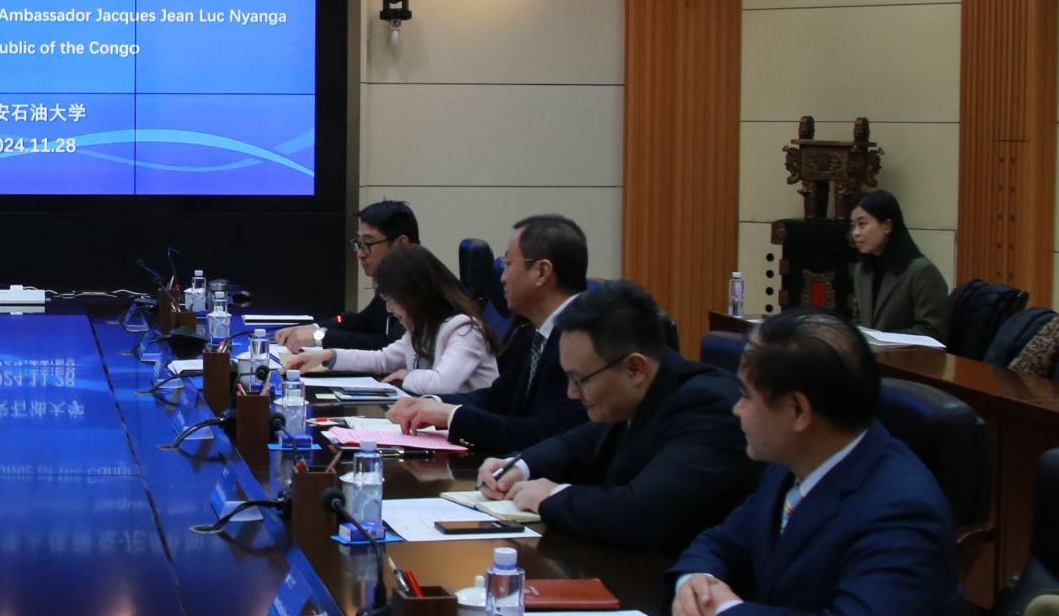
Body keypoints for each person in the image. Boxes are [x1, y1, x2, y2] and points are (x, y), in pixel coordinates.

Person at [670, 311, 976, 616]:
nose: (736, 409)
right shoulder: (794, 464)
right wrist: (694, 581)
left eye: (746, 396)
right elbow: (721, 541)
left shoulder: (901, 508)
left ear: (798, 411)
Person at [477, 279, 758, 552]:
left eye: (580, 379)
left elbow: (641, 514)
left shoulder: (709, 408)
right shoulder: (638, 396)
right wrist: (519, 467)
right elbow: (577, 445)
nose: (571, 394)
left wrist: (550, 496)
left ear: (635, 369)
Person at [387, 213, 591, 456]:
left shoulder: (582, 341)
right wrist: (432, 404)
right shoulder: (532, 334)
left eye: (508, 264)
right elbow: (497, 398)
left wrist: (451, 416)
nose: (502, 277)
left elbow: (543, 433)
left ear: (542, 272)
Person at [283, 245, 496, 394]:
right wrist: (328, 356)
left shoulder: (465, 330)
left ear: (416, 295)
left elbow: (442, 385)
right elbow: (382, 359)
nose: (389, 308)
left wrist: (407, 375)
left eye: (392, 299)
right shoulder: (421, 329)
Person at [276, 199, 415, 352]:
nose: (361, 254)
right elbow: (363, 322)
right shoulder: (392, 282)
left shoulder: (420, 286)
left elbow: (393, 348)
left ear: (401, 244)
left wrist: (321, 337)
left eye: (368, 244)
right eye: (359, 244)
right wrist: (313, 328)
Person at [849, 190, 948, 341]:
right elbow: (859, 321)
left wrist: (883, 339)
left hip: (909, 356)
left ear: (887, 226)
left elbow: (933, 332)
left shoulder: (922, 272)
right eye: (853, 226)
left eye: (862, 224)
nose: (855, 233)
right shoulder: (862, 271)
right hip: (872, 354)